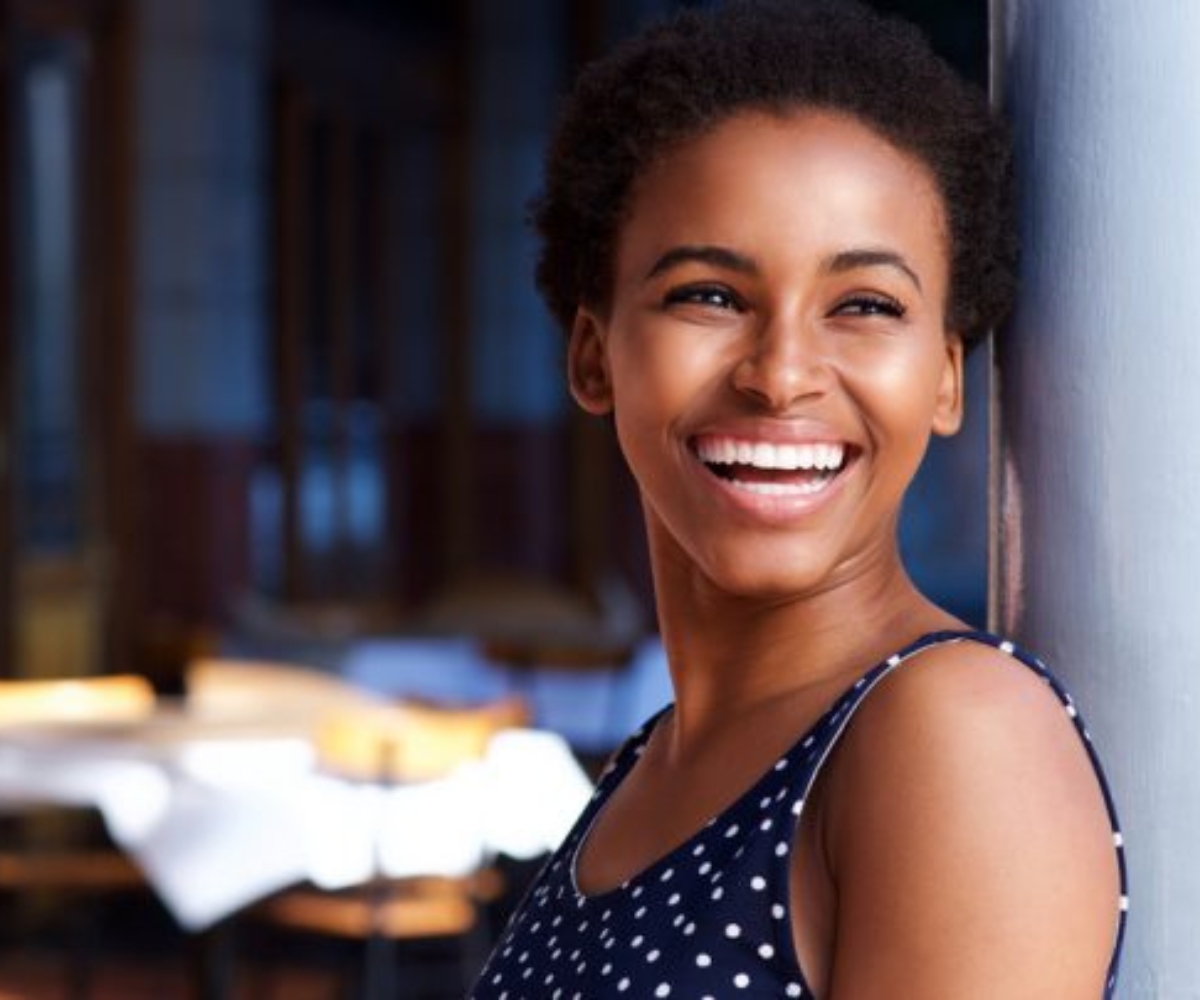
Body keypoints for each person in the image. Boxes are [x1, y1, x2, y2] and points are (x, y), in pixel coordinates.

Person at [470, 2, 1127, 997]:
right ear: (594, 354)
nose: (780, 375)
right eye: (710, 295)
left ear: (945, 378)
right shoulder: (651, 764)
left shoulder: (954, 732)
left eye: (863, 306)